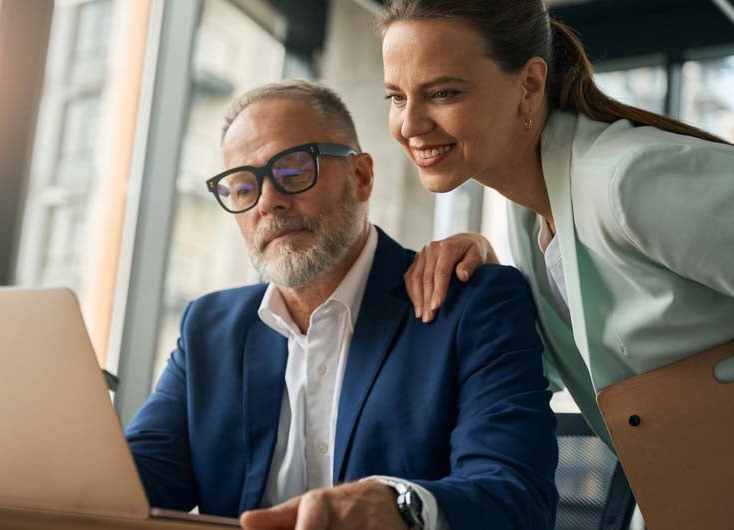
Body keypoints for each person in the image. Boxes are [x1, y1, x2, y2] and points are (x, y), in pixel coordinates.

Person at [124, 80, 558, 530]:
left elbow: (516, 496)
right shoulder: (208, 330)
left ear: (361, 176)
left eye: (293, 171)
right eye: (241, 187)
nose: (268, 201)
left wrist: (400, 506)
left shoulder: (469, 304)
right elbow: (134, 481)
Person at [377, 0, 734, 443]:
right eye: (396, 96)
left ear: (529, 84)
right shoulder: (530, 212)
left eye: (443, 93)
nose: (409, 124)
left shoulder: (628, 180)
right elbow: (558, 365)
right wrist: (490, 279)